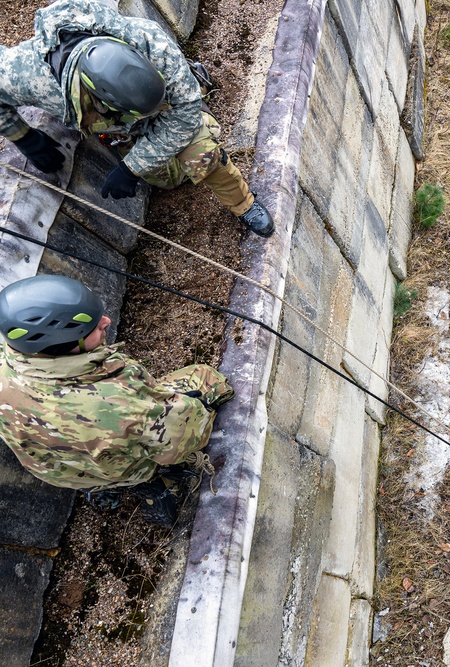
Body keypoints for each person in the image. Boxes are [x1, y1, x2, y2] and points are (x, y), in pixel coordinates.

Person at [0, 0, 274, 236]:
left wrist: (132, 167)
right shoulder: (27, 76)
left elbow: (184, 116)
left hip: (170, 109)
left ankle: (244, 204)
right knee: (168, 181)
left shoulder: (153, 44)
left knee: (201, 155)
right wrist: (23, 137)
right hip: (124, 130)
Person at [0, 275, 234, 524]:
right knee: (207, 378)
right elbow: (185, 441)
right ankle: (154, 482)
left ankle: (106, 489)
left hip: (64, 473)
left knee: (101, 459)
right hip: (124, 467)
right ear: (64, 344)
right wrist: (195, 409)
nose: (106, 321)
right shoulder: (116, 405)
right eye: (92, 328)